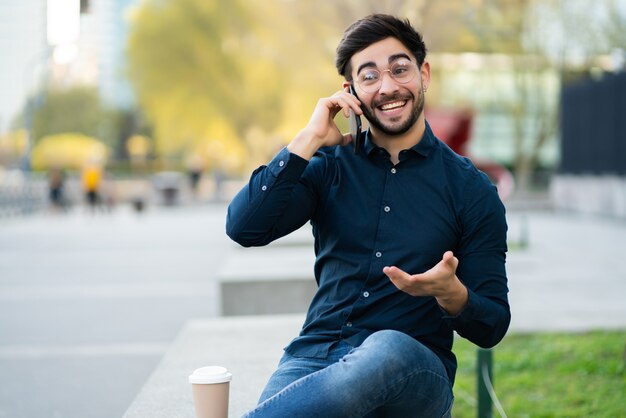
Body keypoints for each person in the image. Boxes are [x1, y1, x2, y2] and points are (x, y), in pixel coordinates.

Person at [226, 14, 510, 418]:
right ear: (351, 92)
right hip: (315, 358)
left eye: (400, 69)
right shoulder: (327, 164)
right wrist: (305, 141)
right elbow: (243, 228)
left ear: (423, 73)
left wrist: (452, 294)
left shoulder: (471, 189)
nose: (389, 86)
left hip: (414, 371)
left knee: (386, 346)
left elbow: (493, 325)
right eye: (370, 75)